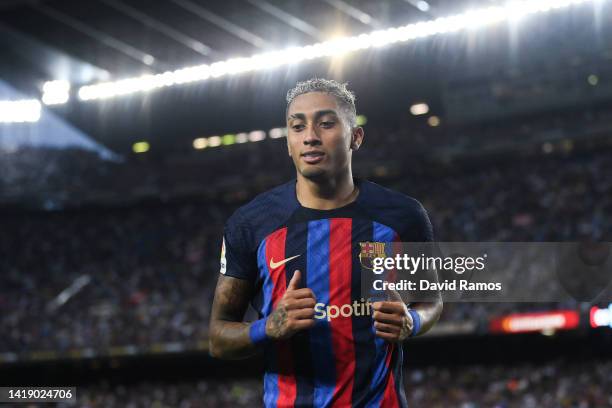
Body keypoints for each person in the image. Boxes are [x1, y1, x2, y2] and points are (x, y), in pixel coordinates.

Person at [209, 78, 442, 407]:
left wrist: (412, 321)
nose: (310, 137)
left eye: (326, 123)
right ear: (288, 143)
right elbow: (218, 338)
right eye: (297, 126)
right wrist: (267, 327)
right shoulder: (251, 224)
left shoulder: (403, 216)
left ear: (356, 137)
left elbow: (431, 301)